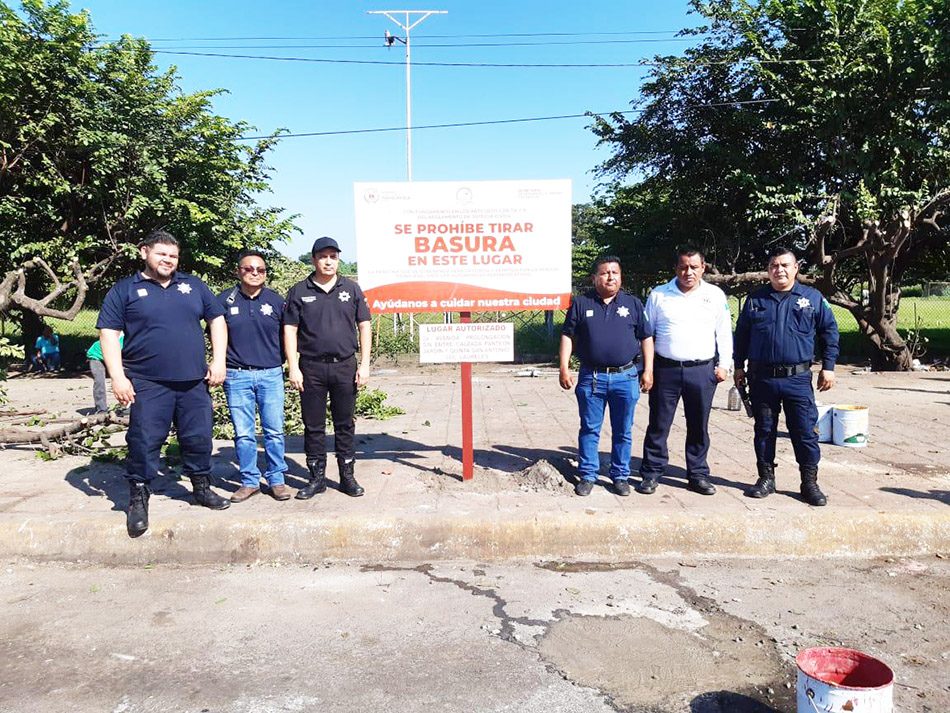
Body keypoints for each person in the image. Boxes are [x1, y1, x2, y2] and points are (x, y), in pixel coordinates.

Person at [97, 230, 231, 538]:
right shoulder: (125, 290)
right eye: (161, 254)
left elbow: (217, 321)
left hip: (194, 382)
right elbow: (108, 332)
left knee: (198, 439)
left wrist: (219, 361)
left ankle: (201, 488)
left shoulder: (193, 285)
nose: (167, 260)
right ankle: (138, 499)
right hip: (147, 383)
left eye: (173, 255)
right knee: (144, 443)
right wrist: (117, 377)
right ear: (144, 252)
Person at [733, 246, 839, 506]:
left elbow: (829, 332)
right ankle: (766, 478)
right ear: (768, 270)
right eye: (774, 266)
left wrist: (829, 366)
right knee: (764, 430)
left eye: (784, 265)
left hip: (797, 379)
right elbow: (742, 335)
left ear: (796, 269)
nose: (779, 270)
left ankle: (809, 483)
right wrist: (738, 366)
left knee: (804, 432)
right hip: (762, 379)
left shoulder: (812, 298)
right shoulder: (756, 300)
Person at [637, 247, 733, 496]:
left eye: (694, 267)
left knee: (698, 425)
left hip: (702, 371)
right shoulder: (659, 295)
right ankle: (651, 472)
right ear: (675, 268)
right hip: (665, 369)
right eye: (683, 267)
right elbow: (647, 334)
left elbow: (723, 333)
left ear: (703, 267)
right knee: (658, 424)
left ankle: (698, 473)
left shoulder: (714, 295)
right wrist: (645, 368)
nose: (688, 272)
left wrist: (724, 365)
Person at [283, 236, 372, 500]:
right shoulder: (300, 290)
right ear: (314, 260)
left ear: (338, 260)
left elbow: (364, 325)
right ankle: (317, 478)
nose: (328, 261)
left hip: (345, 366)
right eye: (323, 256)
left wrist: (365, 364)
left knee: (345, 424)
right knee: (313, 425)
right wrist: (293, 366)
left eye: (333, 256)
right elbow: (290, 329)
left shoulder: (352, 289)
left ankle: (347, 476)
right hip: (311, 368)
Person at [559, 255, 654, 496]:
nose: (610, 276)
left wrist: (648, 370)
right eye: (604, 272)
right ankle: (588, 474)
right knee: (590, 428)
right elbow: (567, 336)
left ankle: (620, 475)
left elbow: (646, 338)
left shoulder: (633, 304)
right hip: (592, 378)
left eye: (615, 272)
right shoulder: (581, 303)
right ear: (594, 278)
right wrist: (564, 367)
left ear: (620, 276)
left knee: (623, 429)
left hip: (626, 377)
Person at [219, 249, 291, 503]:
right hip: (236, 376)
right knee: (244, 433)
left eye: (260, 270)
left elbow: (288, 335)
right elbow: (215, 334)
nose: (254, 273)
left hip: (271, 375)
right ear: (239, 272)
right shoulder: (225, 301)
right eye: (249, 269)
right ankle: (249, 481)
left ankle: (277, 479)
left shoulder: (276, 301)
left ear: (265, 274)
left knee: (274, 431)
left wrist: (291, 365)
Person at [87, 333, 124, 413]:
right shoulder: (124, 341)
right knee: (99, 381)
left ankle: (126, 406)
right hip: (96, 356)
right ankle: (101, 409)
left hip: (112, 355)